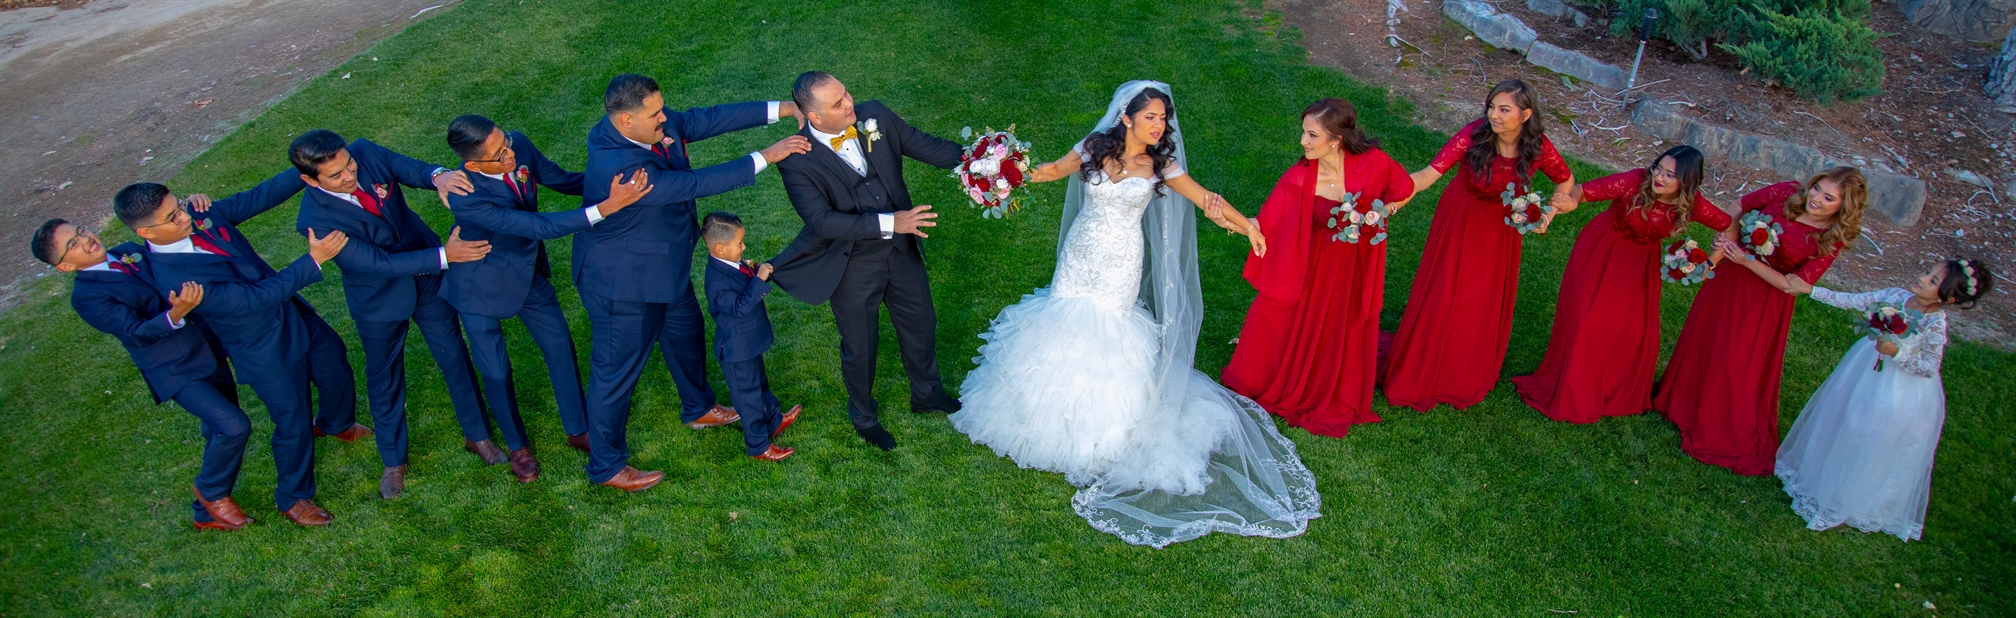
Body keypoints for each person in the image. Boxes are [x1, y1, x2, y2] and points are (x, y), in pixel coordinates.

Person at [949, 81, 1318, 548]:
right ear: (1126, 118)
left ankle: (1100, 433)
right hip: (1082, 253)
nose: (1159, 125)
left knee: (1108, 332)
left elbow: (1207, 200)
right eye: (1151, 117)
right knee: (1063, 320)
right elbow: (1051, 171)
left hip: (1121, 262)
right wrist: (1000, 172)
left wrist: (1248, 227)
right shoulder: (1093, 147)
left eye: (1163, 118)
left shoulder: (1161, 165)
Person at [576, 73, 809, 492]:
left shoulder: (651, 125)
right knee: (614, 375)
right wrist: (767, 156)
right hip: (622, 286)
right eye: (655, 114)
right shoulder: (622, 167)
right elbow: (693, 183)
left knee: (686, 334)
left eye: (661, 108)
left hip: (664, 268)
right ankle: (606, 465)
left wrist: (784, 108)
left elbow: (707, 119)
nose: (665, 118)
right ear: (626, 120)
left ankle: (698, 407)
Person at [117, 180, 355, 526]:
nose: (185, 217)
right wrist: (314, 260)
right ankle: (293, 498)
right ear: (145, 232)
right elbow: (255, 299)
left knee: (336, 368)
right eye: (173, 217)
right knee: (293, 420)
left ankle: (335, 424)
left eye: (179, 205)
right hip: (261, 346)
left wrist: (307, 169)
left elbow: (259, 196)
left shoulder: (200, 214)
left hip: (294, 315)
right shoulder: (177, 280)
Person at [442, 115, 654, 483]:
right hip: (478, 285)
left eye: (506, 142)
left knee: (559, 346)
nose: (510, 154)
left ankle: (578, 429)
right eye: (499, 154)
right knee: (496, 370)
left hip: (526, 273)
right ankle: (518, 447)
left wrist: (615, 184)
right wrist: (606, 208)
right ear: (473, 166)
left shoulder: (518, 145)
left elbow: (562, 179)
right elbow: (536, 226)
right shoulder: (465, 197)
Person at [290, 129, 493, 499]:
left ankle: (478, 436)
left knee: (454, 355)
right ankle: (394, 461)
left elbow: (410, 169)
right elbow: (376, 264)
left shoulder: (366, 152)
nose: (349, 176)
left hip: (427, 281)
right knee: (384, 377)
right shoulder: (316, 221)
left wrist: (438, 176)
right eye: (336, 175)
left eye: (349, 165)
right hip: (379, 300)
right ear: (310, 180)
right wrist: (446, 256)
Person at [768, 71, 963, 451]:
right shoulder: (796, 160)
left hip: (901, 252)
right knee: (861, 345)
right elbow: (822, 221)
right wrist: (893, 222)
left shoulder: (876, 116)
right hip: (851, 265)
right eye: (837, 103)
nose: (849, 104)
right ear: (814, 117)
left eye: (846, 94)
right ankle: (863, 417)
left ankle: (927, 394)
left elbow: (929, 146)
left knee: (921, 323)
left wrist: (986, 162)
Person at [33, 216, 248, 530]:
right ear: (65, 266)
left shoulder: (127, 251)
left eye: (81, 230)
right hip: (174, 369)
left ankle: (203, 514)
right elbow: (134, 332)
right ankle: (211, 493)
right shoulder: (87, 297)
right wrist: (176, 312)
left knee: (220, 426)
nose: (86, 239)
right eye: (73, 244)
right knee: (233, 426)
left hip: (207, 347)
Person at [1655, 167, 1868, 475]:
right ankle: (1682, 406)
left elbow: (1794, 285)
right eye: (1817, 188)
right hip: (1730, 278)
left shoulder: (1831, 238)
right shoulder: (1787, 192)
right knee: (1706, 338)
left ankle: (1717, 425)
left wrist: (1748, 260)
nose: (1816, 198)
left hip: (1765, 301)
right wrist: (1724, 244)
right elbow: (1739, 206)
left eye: (1828, 198)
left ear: (1843, 207)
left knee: (1735, 359)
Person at [1222, 97, 1415, 437]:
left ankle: (1332, 380)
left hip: (1353, 269)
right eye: (1304, 133)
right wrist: (1233, 221)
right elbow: (1267, 221)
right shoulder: (1299, 177)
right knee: (1274, 310)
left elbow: (1404, 189)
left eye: (1311, 135)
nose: (1303, 141)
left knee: (1342, 325)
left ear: (1336, 139)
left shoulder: (1373, 163)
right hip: (1312, 265)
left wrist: (1382, 213)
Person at [1380, 79, 1575, 412]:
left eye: (1504, 109)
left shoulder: (1538, 146)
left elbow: (1566, 181)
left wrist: (1549, 213)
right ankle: (1424, 366)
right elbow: (1428, 174)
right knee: (1446, 292)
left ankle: (1461, 373)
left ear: (1526, 114)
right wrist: (1390, 204)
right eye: (1491, 107)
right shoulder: (1473, 134)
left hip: (1500, 231)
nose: (1494, 115)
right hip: (1461, 218)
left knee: (1480, 300)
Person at [1775, 259, 1992, 541]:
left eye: (1933, 281)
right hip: (1863, 372)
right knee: (1845, 417)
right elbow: (1853, 300)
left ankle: (1853, 496)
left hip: (1898, 391)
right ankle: (1823, 477)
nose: (1923, 278)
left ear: (1948, 298)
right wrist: (1810, 290)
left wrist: (1896, 353)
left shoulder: (1934, 323)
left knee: (1868, 434)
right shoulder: (1895, 296)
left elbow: (1929, 368)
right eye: (1927, 271)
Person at [1511, 146, 1730, 423]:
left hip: (1640, 264)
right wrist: (1563, 205)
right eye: (1658, 168)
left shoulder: (1693, 204)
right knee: (1587, 321)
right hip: (1604, 248)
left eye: (1669, 175)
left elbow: (1728, 225)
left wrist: (1709, 262)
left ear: (1686, 182)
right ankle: (1573, 388)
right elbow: (1580, 192)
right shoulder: (1634, 181)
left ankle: (1610, 389)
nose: (1658, 177)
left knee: (1635, 334)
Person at [700, 212, 802, 461]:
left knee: (761, 385)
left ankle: (774, 421)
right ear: (720, 248)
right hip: (736, 351)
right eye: (739, 244)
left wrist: (751, 271)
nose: (744, 247)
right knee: (748, 399)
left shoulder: (731, 263)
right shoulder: (715, 281)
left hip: (749, 344)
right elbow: (739, 307)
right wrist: (759, 279)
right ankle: (758, 446)